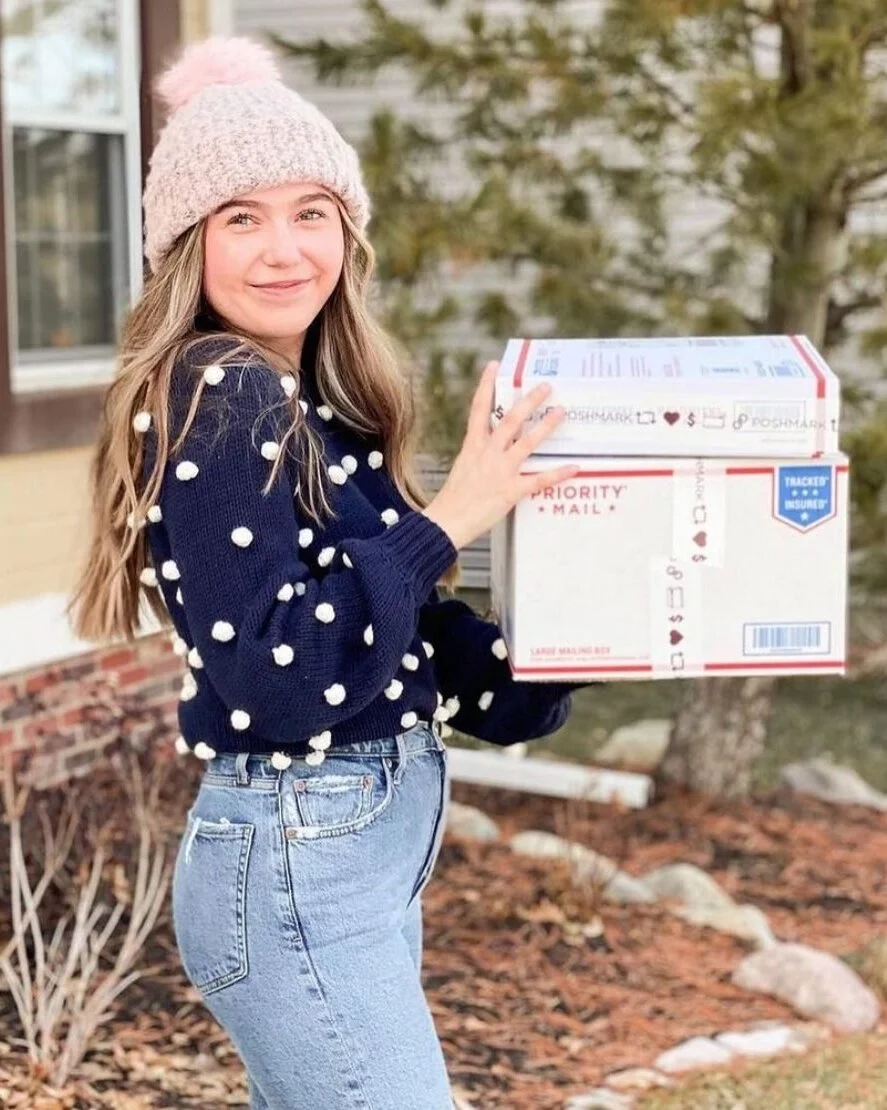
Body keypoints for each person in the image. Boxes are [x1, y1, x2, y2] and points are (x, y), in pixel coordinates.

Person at [68, 35, 586, 1110]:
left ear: (347, 234)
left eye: (311, 212)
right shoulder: (223, 390)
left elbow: (460, 681)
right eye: (240, 218)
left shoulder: (321, 417)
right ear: (183, 247)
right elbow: (282, 678)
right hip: (301, 864)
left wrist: (611, 606)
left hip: (344, 866)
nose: (283, 248)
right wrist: (448, 520)